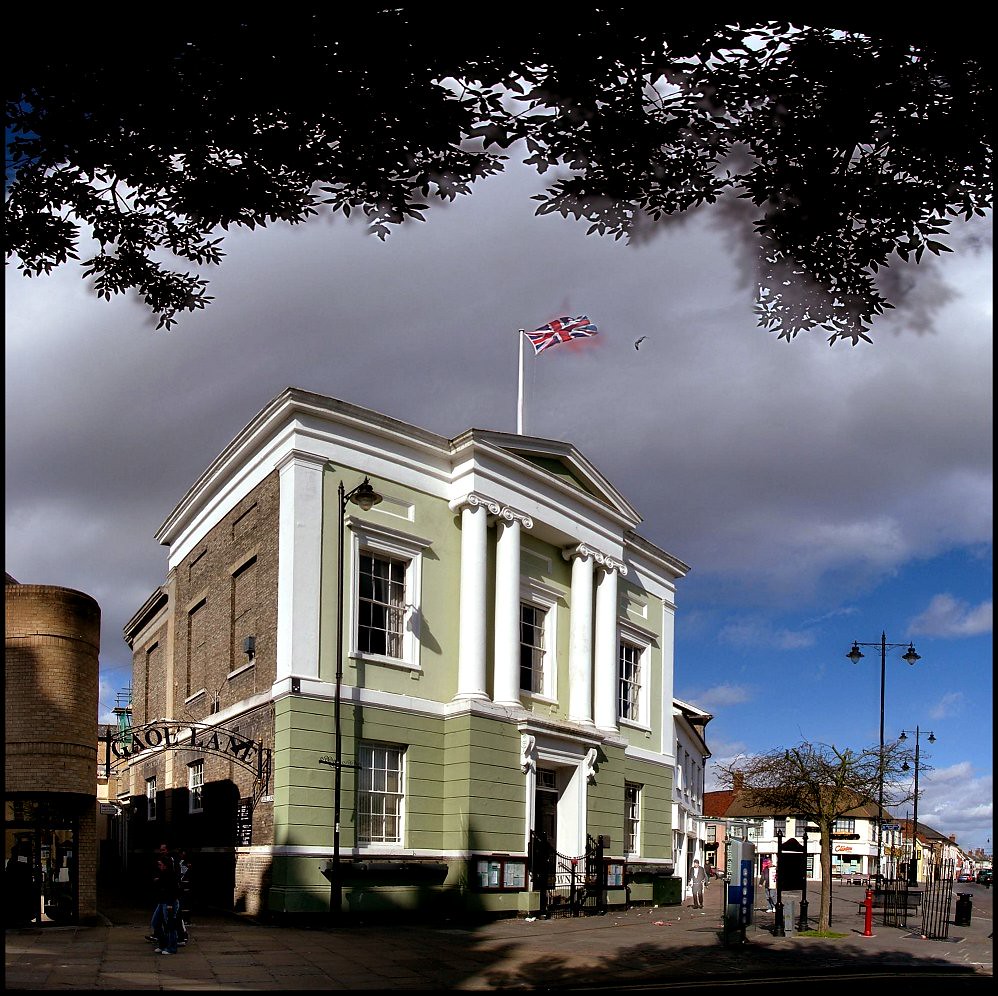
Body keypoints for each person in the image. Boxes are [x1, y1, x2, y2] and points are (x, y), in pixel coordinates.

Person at [151, 856, 180, 954]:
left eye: (160, 864)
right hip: (162, 901)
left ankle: (172, 947)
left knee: (170, 925)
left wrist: (170, 904)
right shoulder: (163, 874)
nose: (159, 866)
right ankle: (163, 944)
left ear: (165, 865)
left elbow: (174, 890)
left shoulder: (171, 875)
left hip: (169, 902)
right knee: (155, 922)